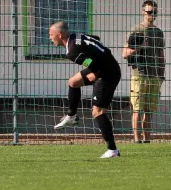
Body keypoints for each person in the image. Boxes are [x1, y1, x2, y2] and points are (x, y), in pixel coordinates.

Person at [49, 21, 122, 158]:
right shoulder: (76, 37)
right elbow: (96, 40)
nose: (49, 37)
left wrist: (96, 72)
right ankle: (71, 116)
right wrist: (95, 67)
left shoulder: (71, 52)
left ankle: (112, 150)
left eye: (51, 34)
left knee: (98, 112)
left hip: (107, 73)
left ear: (59, 35)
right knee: (73, 82)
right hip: (104, 66)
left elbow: (91, 62)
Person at [122, 0, 165, 143]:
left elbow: (160, 54)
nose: (152, 14)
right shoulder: (136, 30)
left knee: (149, 110)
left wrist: (161, 74)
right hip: (139, 74)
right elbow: (125, 53)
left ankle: (147, 140)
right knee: (137, 109)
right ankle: (136, 140)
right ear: (143, 12)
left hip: (155, 75)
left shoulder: (159, 33)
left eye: (154, 12)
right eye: (149, 12)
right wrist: (139, 47)